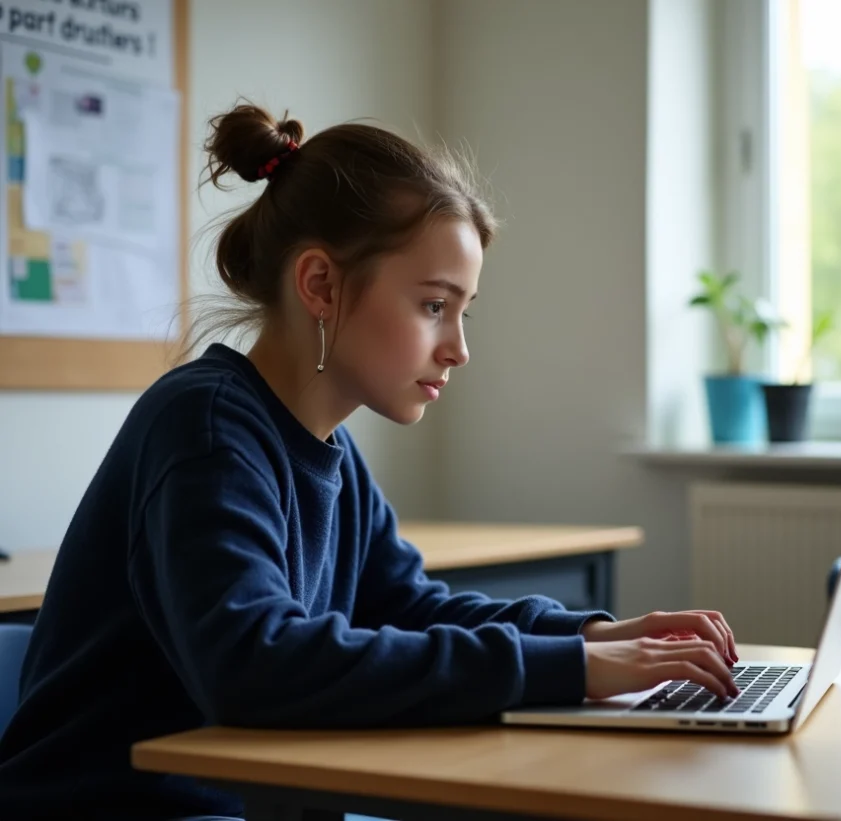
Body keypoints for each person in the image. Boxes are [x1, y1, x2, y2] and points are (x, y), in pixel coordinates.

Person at [0, 103, 741, 820]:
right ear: (320, 284)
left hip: (245, 799)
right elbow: (255, 665)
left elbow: (410, 605)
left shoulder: (331, 451)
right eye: (432, 305)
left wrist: (587, 636)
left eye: (463, 310)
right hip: (111, 805)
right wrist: (568, 672)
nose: (458, 346)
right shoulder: (206, 427)